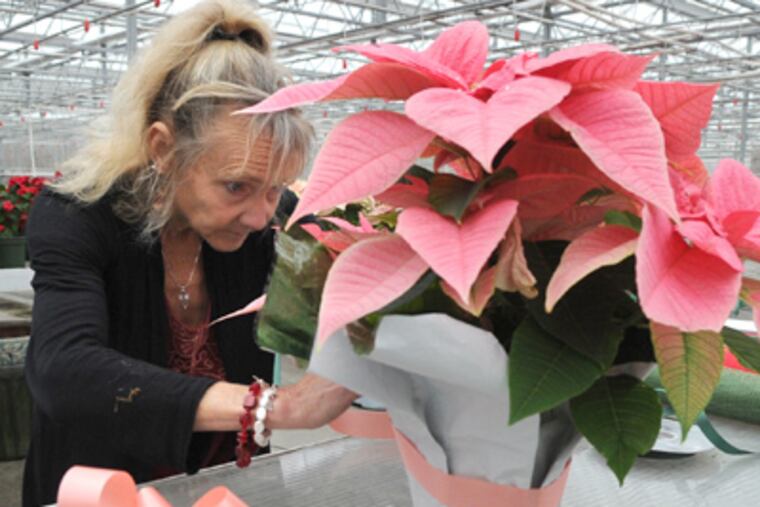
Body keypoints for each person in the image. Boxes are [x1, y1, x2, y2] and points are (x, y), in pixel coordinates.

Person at [22, 1, 356, 505]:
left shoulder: (269, 219)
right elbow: (63, 369)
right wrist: (272, 408)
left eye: (275, 188)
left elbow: (354, 258)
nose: (262, 216)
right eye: (236, 186)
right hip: (103, 489)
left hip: (229, 488)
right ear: (163, 148)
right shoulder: (78, 214)